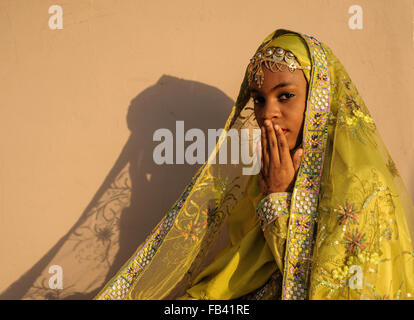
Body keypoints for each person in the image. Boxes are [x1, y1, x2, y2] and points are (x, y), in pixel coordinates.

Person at [94, 29, 414, 300]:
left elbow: (324, 288)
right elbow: (243, 265)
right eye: (259, 99)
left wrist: (279, 198)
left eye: (285, 96)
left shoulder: (362, 184)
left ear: (321, 97)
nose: (266, 113)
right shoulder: (267, 167)